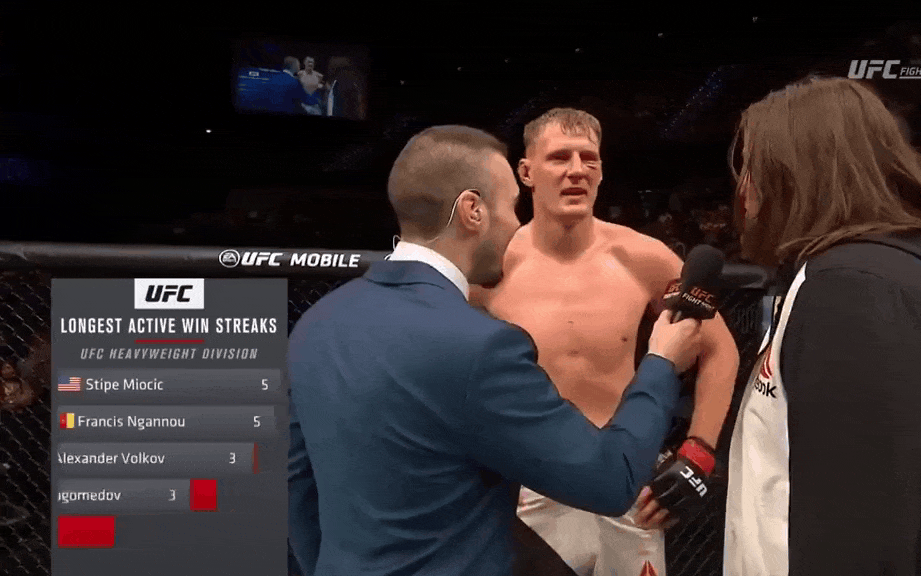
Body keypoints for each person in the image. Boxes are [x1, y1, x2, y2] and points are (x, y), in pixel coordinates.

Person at [287, 125, 706, 576]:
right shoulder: (481, 345)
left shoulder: (317, 324)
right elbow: (609, 482)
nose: (513, 225)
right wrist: (661, 364)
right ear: (473, 211)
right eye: (509, 206)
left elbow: (296, 487)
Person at [723, 76, 921, 575]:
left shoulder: (852, 289)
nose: (743, 190)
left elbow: (857, 539)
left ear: (791, 176)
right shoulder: (902, 274)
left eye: (752, 166)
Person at [472, 108, 739, 576]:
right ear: (526, 172)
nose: (577, 170)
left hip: (627, 476)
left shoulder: (643, 257)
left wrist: (696, 456)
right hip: (528, 482)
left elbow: (720, 349)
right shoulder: (491, 266)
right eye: (560, 157)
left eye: (588, 158)